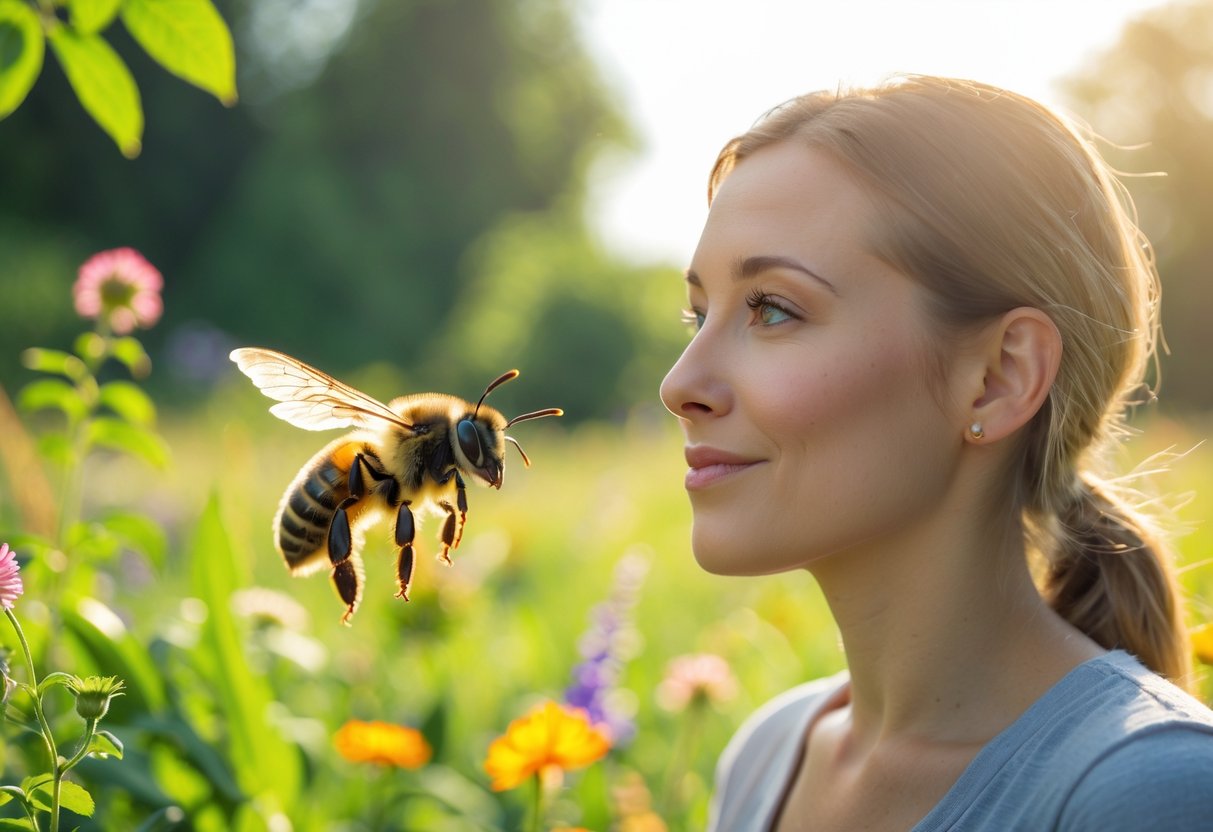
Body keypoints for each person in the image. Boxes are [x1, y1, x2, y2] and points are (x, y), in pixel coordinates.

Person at [658, 75, 1213, 831]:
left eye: (773, 309)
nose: (679, 384)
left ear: (997, 378)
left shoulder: (1149, 793)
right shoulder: (767, 758)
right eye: (697, 315)